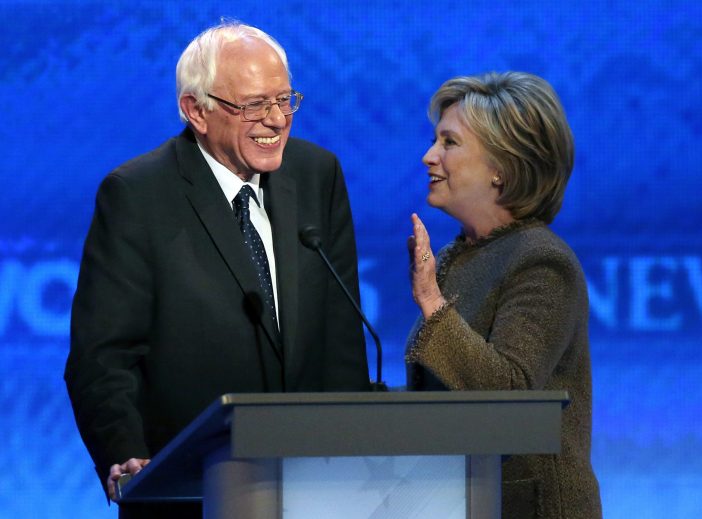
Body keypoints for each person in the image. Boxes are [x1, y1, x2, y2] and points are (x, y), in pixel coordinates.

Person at [64, 21, 371, 518]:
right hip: (190, 490)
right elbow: (103, 355)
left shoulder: (318, 175)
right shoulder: (138, 195)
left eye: (284, 100)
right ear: (196, 111)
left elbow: (340, 341)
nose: (276, 120)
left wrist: (355, 464)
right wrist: (125, 452)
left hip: (312, 486)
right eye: (253, 105)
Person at [406, 72, 602, 518]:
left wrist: (433, 303)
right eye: (435, 141)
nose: (429, 156)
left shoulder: (542, 262)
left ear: (503, 168)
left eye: (449, 143)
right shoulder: (460, 255)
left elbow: (509, 393)